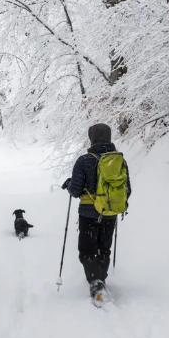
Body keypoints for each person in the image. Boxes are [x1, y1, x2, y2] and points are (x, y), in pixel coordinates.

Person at [62, 123, 131, 301]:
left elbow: (75, 191)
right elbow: (127, 190)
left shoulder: (84, 160)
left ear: (92, 138)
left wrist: (69, 184)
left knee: (86, 250)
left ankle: (95, 282)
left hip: (88, 214)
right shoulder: (119, 161)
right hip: (110, 213)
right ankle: (101, 279)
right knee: (104, 248)